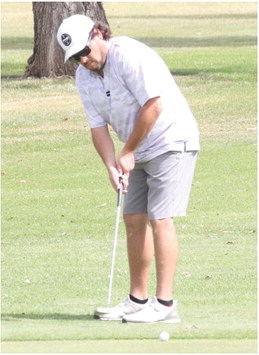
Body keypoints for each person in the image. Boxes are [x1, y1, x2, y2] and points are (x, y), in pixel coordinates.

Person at [57, 14, 199, 323]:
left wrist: (128, 151)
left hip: (170, 140)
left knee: (160, 219)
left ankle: (165, 305)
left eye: (85, 51)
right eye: (76, 57)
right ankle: (138, 300)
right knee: (134, 219)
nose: (83, 60)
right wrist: (111, 164)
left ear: (98, 33)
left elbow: (154, 105)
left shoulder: (129, 55)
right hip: (133, 150)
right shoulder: (84, 77)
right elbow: (98, 128)